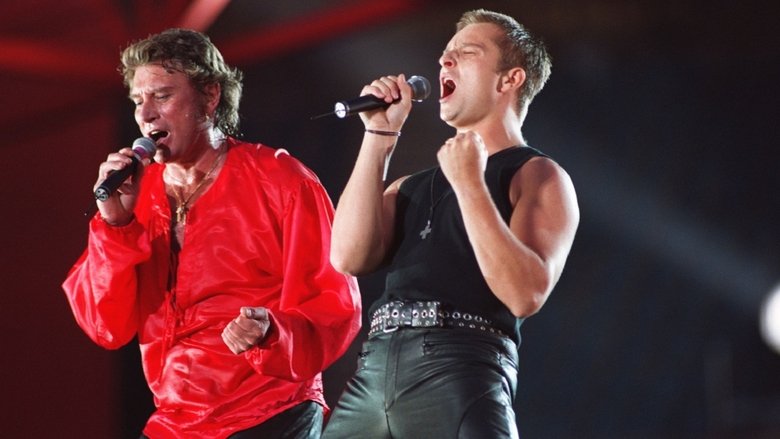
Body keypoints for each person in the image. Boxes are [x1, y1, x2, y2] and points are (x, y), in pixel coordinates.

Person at [62, 28, 361, 439]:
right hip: (175, 420)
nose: (146, 114)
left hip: (268, 408)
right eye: (138, 101)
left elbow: (335, 304)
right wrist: (115, 226)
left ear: (210, 95)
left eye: (162, 96)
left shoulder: (280, 179)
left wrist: (273, 331)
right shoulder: (136, 194)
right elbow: (104, 326)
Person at [322, 9, 579, 439]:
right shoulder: (407, 186)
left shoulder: (538, 174)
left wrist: (471, 185)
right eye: (444, 55)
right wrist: (378, 136)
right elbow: (347, 256)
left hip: (458, 369)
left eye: (466, 52)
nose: (445, 61)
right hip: (372, 371)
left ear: (509, 80)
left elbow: (525, 293)